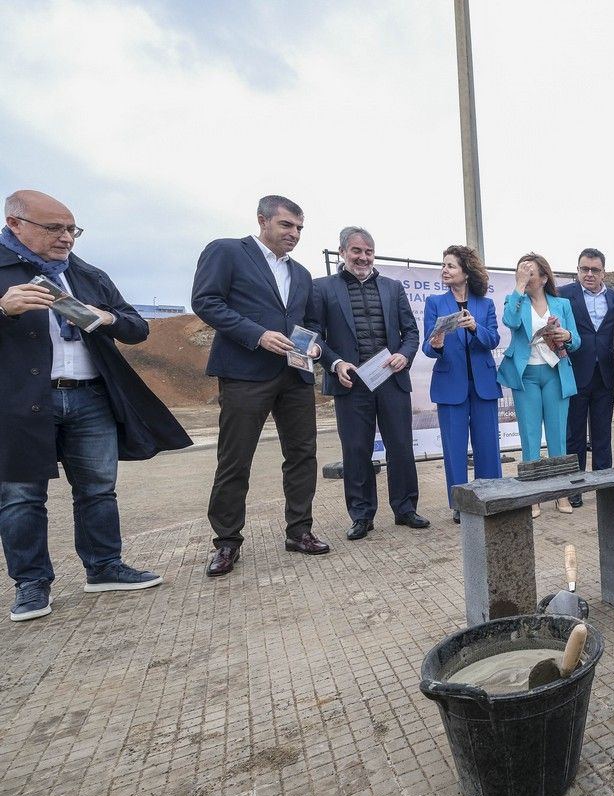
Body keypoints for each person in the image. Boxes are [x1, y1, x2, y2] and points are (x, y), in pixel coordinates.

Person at [0, 190, 191, 621]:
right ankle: (31, 585)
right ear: (15, 224)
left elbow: (137, 328)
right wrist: (2, 308)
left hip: (90, 395)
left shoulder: (85, 274)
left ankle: (104, 566)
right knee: (20, 497)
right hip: (20, 402)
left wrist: (106, 318)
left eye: (72, 229)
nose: (66, 238)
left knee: (98, 489)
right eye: (54, 228)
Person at [192, 195, 329, 577]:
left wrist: (313, 345)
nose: (294, 234)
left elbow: (309, 321)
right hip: (244, 373)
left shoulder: (301, 273)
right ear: (263, 221)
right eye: (287, 225)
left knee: (303, 455)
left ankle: (299, 531)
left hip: (294, 376)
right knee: (235, 459)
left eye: (300, 228)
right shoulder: (227, 252)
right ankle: (226, 543)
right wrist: (257, 335)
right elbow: (206, 301)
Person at [308, 227, 424, 541]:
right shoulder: (322, 289)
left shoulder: (392, 288)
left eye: (368, 251)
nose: (363, 257)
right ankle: (361, 516)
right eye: (357, 251)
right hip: (350, 382)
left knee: (400, 446)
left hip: (390, 379)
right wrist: (334, 362)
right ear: (343, 252)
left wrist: (404, 354)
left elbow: (411, 333)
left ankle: (405, 509)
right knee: (356, 451)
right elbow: (314, 334)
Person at [496, 253, 581, 517]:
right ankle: (532, 497)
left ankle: (561, 493)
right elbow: (509, 321)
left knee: (557, 437)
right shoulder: (515, 300)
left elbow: (576, 340)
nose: (526, 275)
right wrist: (519, 287)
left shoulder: (562, 304)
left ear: (543, 277)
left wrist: (565, 335)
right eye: (522, 271)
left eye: (530, 272)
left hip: (555, 373)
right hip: (527, 375)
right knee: (530, 436)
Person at [422, 245, 502, 525]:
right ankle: (459, 504)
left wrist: (474, 327)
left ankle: (492, 496)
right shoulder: (435, 303)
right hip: (449, 384)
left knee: (488, 445)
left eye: (451, 266)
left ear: (466, 272)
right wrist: (437, 344)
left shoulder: (485, 304)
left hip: (483, 385)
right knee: (454, 449)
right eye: (443, 265)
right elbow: (427, 348)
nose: (445, 270)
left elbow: (493, 340)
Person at [558, 249, 614, 509]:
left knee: (602, 434)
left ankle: (604, 486)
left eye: (595, 270)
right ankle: (575, 487)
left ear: (603, 272)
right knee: (574, 435)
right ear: (578, 270)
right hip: (575, 372)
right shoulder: (564, 295)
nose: (589, 274)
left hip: (605, 374)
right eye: (584, 269)